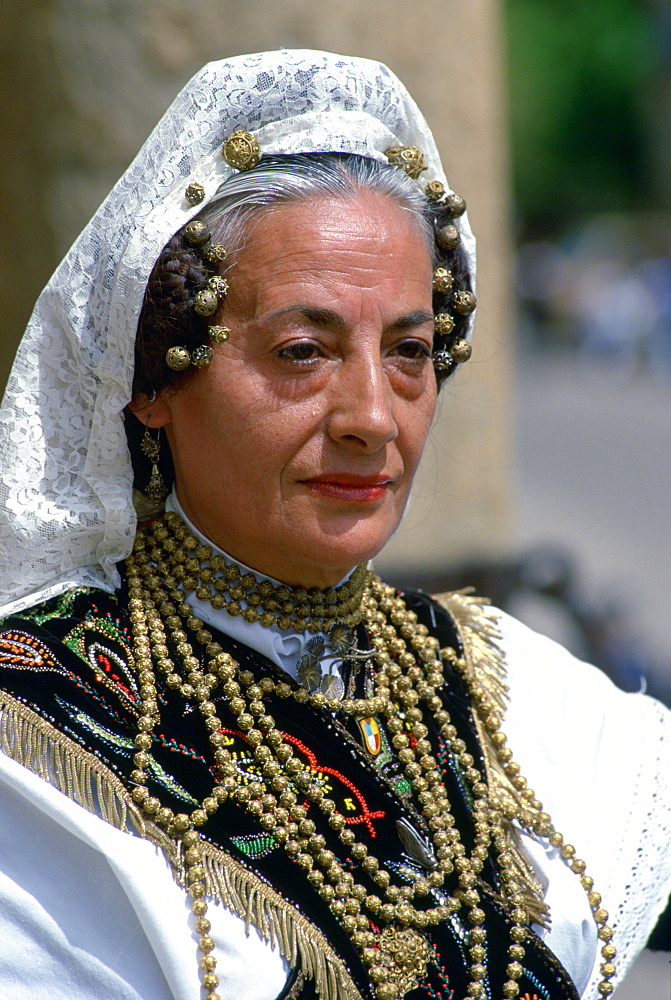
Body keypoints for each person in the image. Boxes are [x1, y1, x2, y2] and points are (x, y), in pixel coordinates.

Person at [0, 49, 668, 1000]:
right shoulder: (41, 737)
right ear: (153, 379)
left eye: (409, 351)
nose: (371, 415)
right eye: (303, 351)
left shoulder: (522, 696)